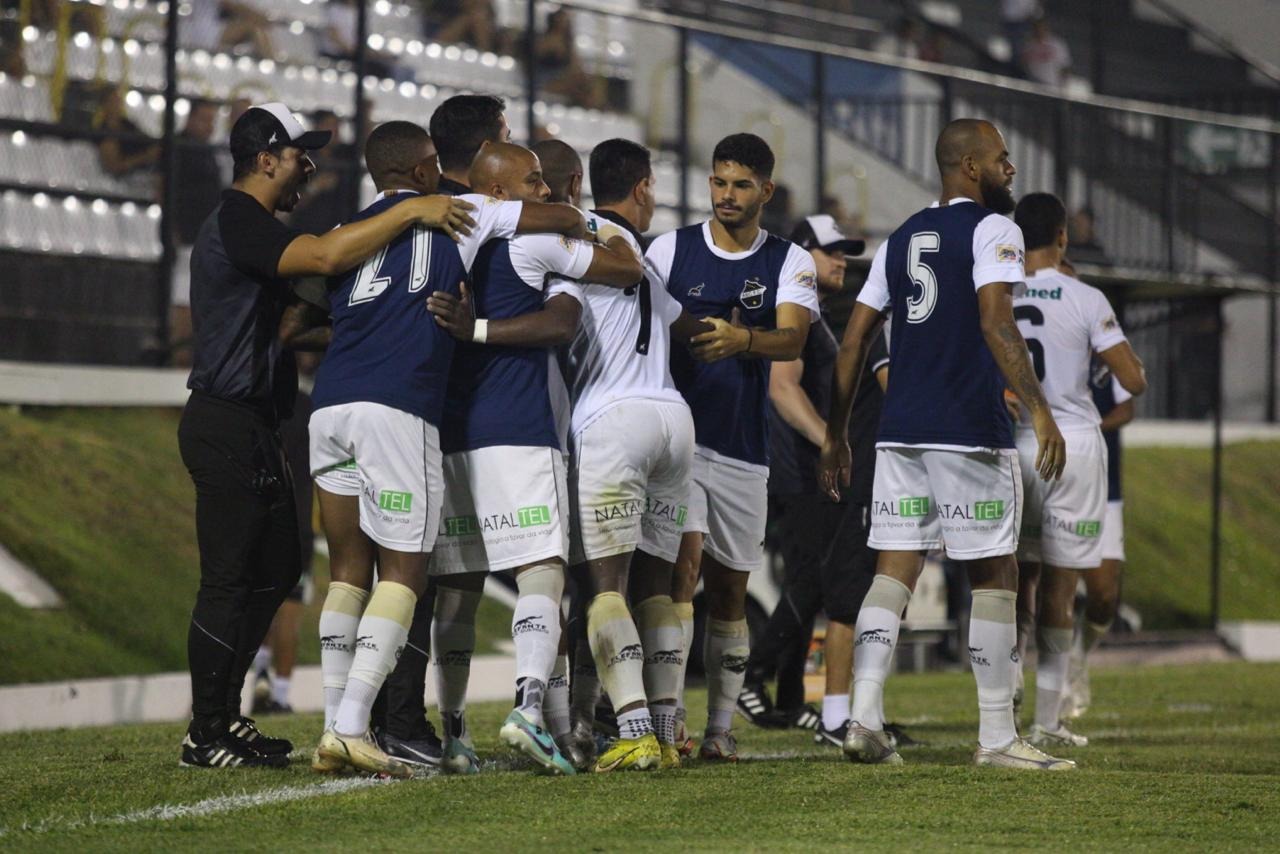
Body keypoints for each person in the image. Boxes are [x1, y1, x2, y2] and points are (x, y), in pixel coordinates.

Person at [177, 102, 475, 769]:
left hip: (264, 420)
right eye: (299, 154)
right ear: (265, 160)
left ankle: (229, 716)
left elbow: (292, 327)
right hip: (224, 416)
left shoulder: (259, 227)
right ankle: (205, 728)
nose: (309, 166)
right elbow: (321, 254)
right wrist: (409, 208)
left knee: (282, 568)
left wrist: (374, 333)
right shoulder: (238, 218)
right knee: (229, 579)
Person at [309, 122, 591, 778]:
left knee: (347, 568)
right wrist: (564, 210)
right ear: (426, 168)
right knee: (404, 572)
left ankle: (332, 723)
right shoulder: (464, 213)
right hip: (398, 406)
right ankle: (351, 727)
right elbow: (562, 217)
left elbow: (306, 309)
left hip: (329, 404)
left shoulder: (351, 231)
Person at [818, 118, 1071, 771]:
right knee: (995, 572)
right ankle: (995, 739)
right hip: (966, 429)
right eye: (1002, 158)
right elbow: (995, 319)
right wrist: (1040, 411)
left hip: (900, 431)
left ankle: (863, 720)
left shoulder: (901, 238)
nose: (1010, 169)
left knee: (892, 574)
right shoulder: (994, 229)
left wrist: (836, 434)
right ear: (969, 167)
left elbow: (854, 341)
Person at [419, 141, 643, 776]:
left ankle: (455, 733)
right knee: (542, 573)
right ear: (497, 193)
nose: (544, 193)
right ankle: (526, 708)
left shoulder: (439, 241)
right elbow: (624, 272)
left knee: (458, 585)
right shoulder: (533, 243)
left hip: (452, 431)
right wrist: (594, 226)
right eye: (534, 182)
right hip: (518, 427)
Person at [647, 132, 820, 762]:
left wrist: (742, 341)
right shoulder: (670, 249)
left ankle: (720, 730)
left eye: (741, 184)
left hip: (746, 453)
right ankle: (667, 722)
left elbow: (793, 339)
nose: (726, 194)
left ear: (765, 191)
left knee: (729, 590)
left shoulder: (790, 261)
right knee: (682, 572)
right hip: (680, 442)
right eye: (719, 182)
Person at [364, 93, 513, 771]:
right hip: (443, 409)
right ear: (488, 151)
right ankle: (404, 717)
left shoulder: (375, 215)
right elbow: (562, 222)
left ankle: (362, 715)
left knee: (372, 571)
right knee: (421, 570)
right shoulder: (470, 212)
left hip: (367, 395)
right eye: (509, 142)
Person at [735, 214, 885, 742]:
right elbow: (783, 387)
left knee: (812, 580)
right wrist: (830, 439)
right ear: (802, 252)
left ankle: (793, 696)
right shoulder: (797, 309)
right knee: (810, 580)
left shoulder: (817, 313)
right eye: (830, 252)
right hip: (799, 467)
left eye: (844, 252)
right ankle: (753, 675)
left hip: (807, 464)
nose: (841, 260)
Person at [1008, 193, 1146, 749]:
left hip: (1013, 443)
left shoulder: (998, 293)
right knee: (1061, 585)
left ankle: (1001, 703)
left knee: (1011, 577)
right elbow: (1132, 381)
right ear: (1063, 237)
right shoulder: (1087, 297)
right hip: (1072, 445)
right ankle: (1047, 720)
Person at [1066, 353, 1136, 717]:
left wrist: (1087, 430)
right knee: (1051, 586)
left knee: (1105, 595)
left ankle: (1078, 656)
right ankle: (1035, 690)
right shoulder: (1038, 340)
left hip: (1104, 489)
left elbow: (1127, 408)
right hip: (1053, 480)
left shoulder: (1107, 359)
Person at [170, 98, 224, 366]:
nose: (209, 126)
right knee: (183, 302)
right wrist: (173, 229)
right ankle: (178, 358)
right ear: (190, 118)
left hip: (204, 239)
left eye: (212, 121)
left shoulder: (207, 150)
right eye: (204, 119)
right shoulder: (180, 147)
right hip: (188, 238)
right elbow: (164, 188)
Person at [1022, 17, 1071, 88]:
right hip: (1032, 84)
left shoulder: (1057, 44)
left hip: (1051, 85)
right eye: (1037, 28)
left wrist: (1063, 87)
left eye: (1042, 28)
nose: (1039, 31)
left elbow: (1065, 66)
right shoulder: (1028, 44)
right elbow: (1024, 64)